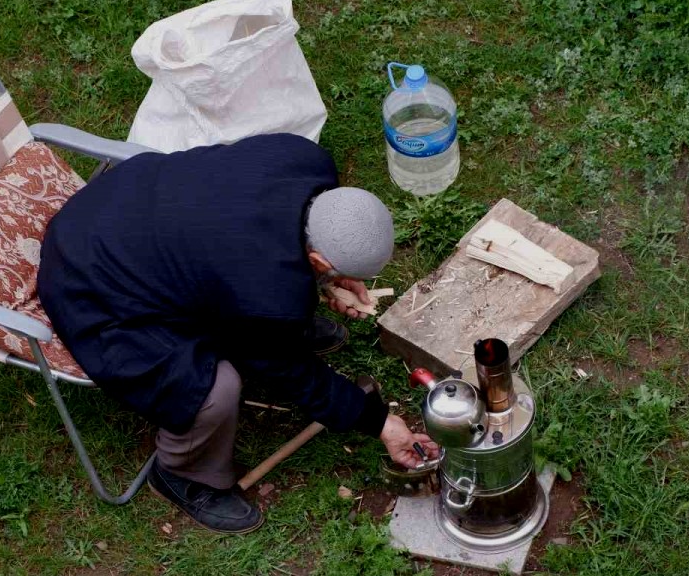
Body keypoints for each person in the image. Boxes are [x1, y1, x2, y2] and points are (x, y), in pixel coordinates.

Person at [37, 133, 439, 534]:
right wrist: (380, 422)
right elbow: (294, 374)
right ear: (317, 259)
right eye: (334, 271)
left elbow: (276, 245)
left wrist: (319, 284)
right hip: (90, 286)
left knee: (262, 315)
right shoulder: (261, 293)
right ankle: (182, 474)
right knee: (214, 389)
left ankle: (278, 327)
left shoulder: (303, 159)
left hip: (115, 207)